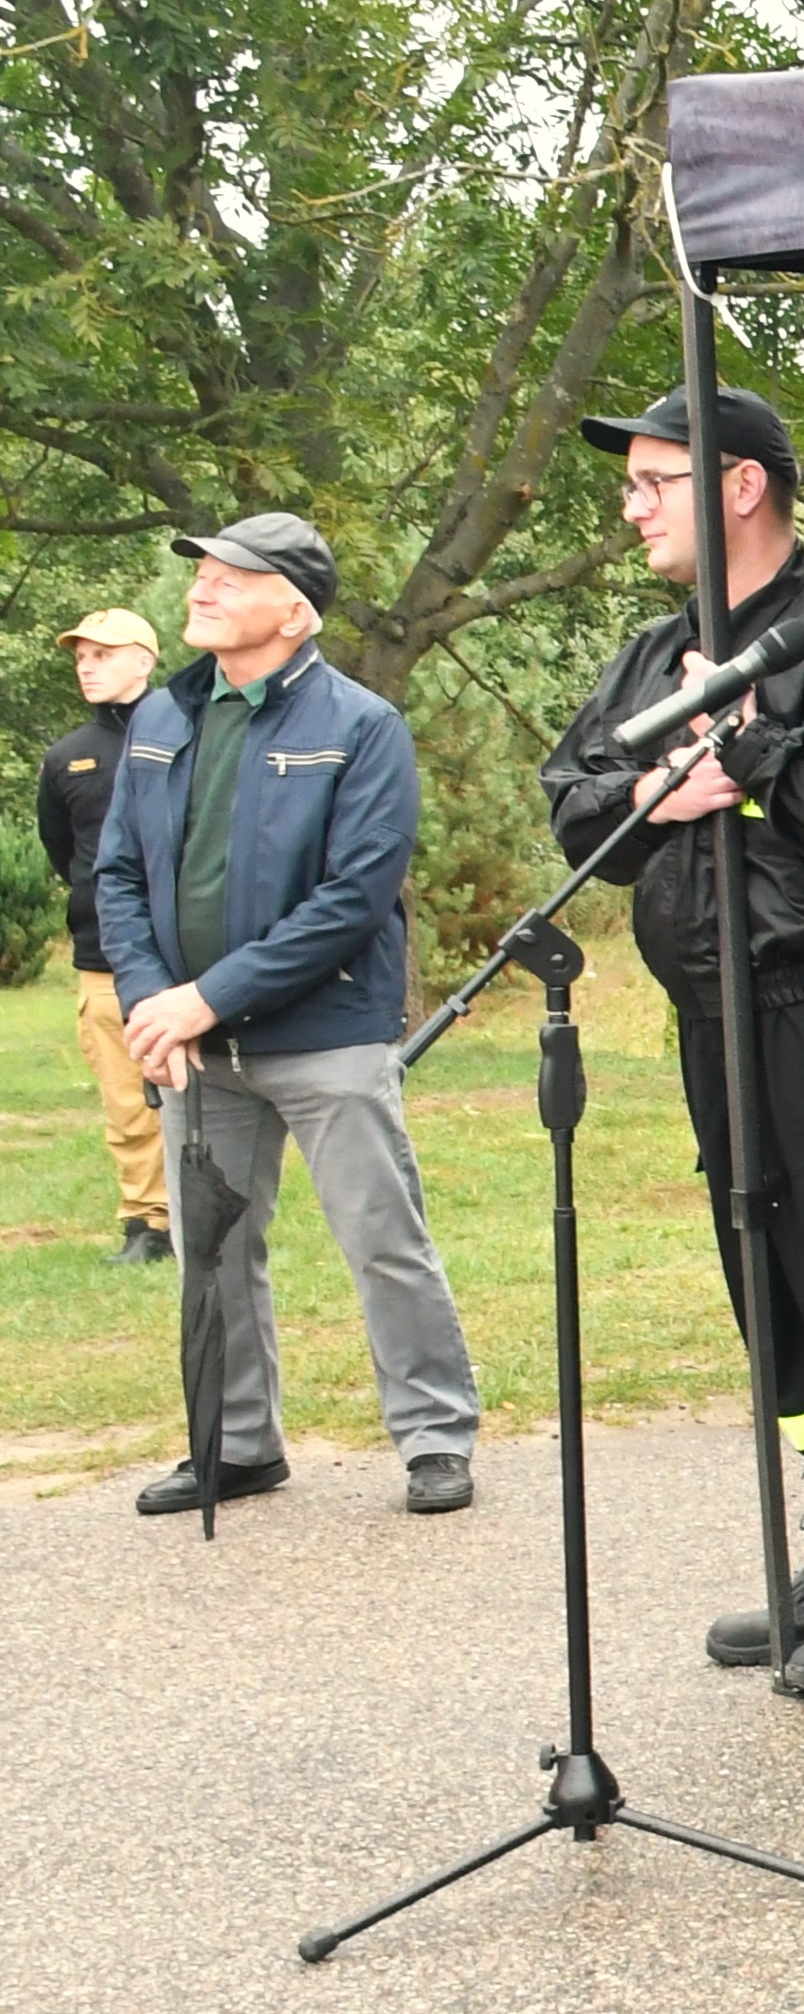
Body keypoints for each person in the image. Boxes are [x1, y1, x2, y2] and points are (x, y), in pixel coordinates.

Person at [542, 392, 804, 1696]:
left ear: (739, 485)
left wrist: (757, 755)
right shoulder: (654, 651)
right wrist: (659, 789)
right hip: (713, 1017)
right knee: (771, 1291)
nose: (632, 506)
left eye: (653, 481)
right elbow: (576, 806)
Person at [94, 516, 484, 1518]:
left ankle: (435, 1438)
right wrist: (153, 1002)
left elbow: (352, 900)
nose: (203, 589)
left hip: (328, 1036)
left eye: (232, 577)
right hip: (195, 1047)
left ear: (295, 612)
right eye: (203, 573)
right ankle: (236, 1448)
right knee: (213, 1251)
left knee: (382, 1238)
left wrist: (207, 995)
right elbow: (120, 874)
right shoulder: (163, 717)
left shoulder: (362, 725)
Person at [41, 607, 170, 1266]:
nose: (87, 667)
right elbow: (64, 855)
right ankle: (148, 1224)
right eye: (81, 657)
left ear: (144, 661)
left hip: (186, 955)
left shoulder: (188, 733)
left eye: (103, 655)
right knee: (127, 1101)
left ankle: (214, 1210)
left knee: (211, 1095)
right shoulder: (65, 758)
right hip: (103, 961)